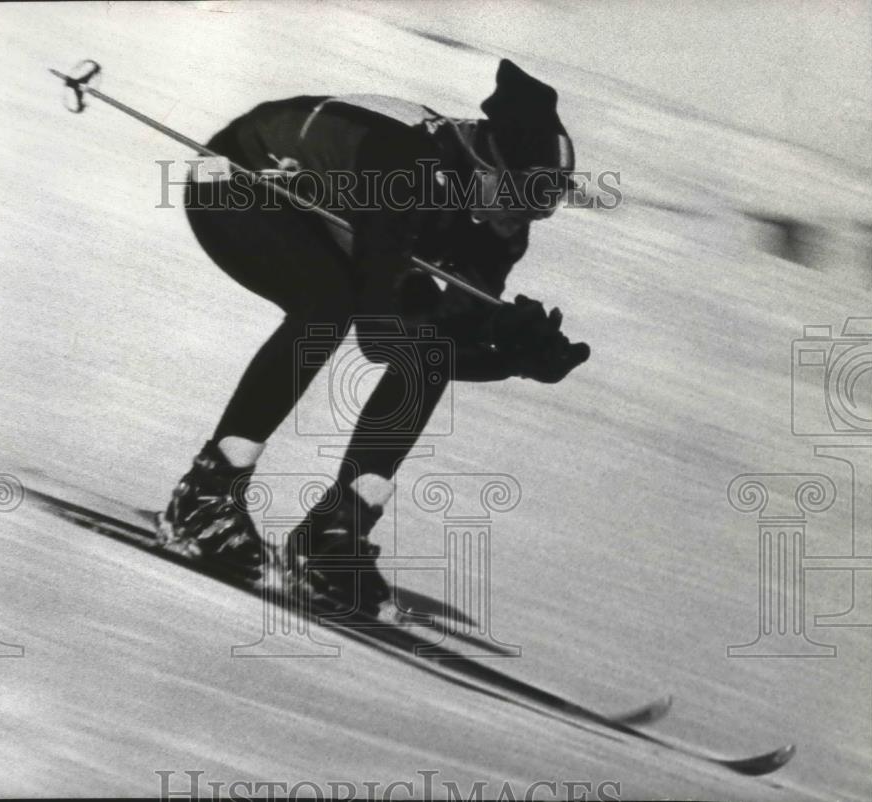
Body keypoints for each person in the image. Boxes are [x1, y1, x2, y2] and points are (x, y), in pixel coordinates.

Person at [157, 59, 590, 613]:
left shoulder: (501, 226)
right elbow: (381, 339)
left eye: (541, 207)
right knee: (326, 308)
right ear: (485, 163)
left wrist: (509, 349)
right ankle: (206, 494)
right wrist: (495, 350)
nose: (520, 220)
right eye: (519, 198)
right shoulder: (405, 164)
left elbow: (437, 346)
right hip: (241, 176)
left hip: (336, 218)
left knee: (425, 340)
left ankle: (338, 530)